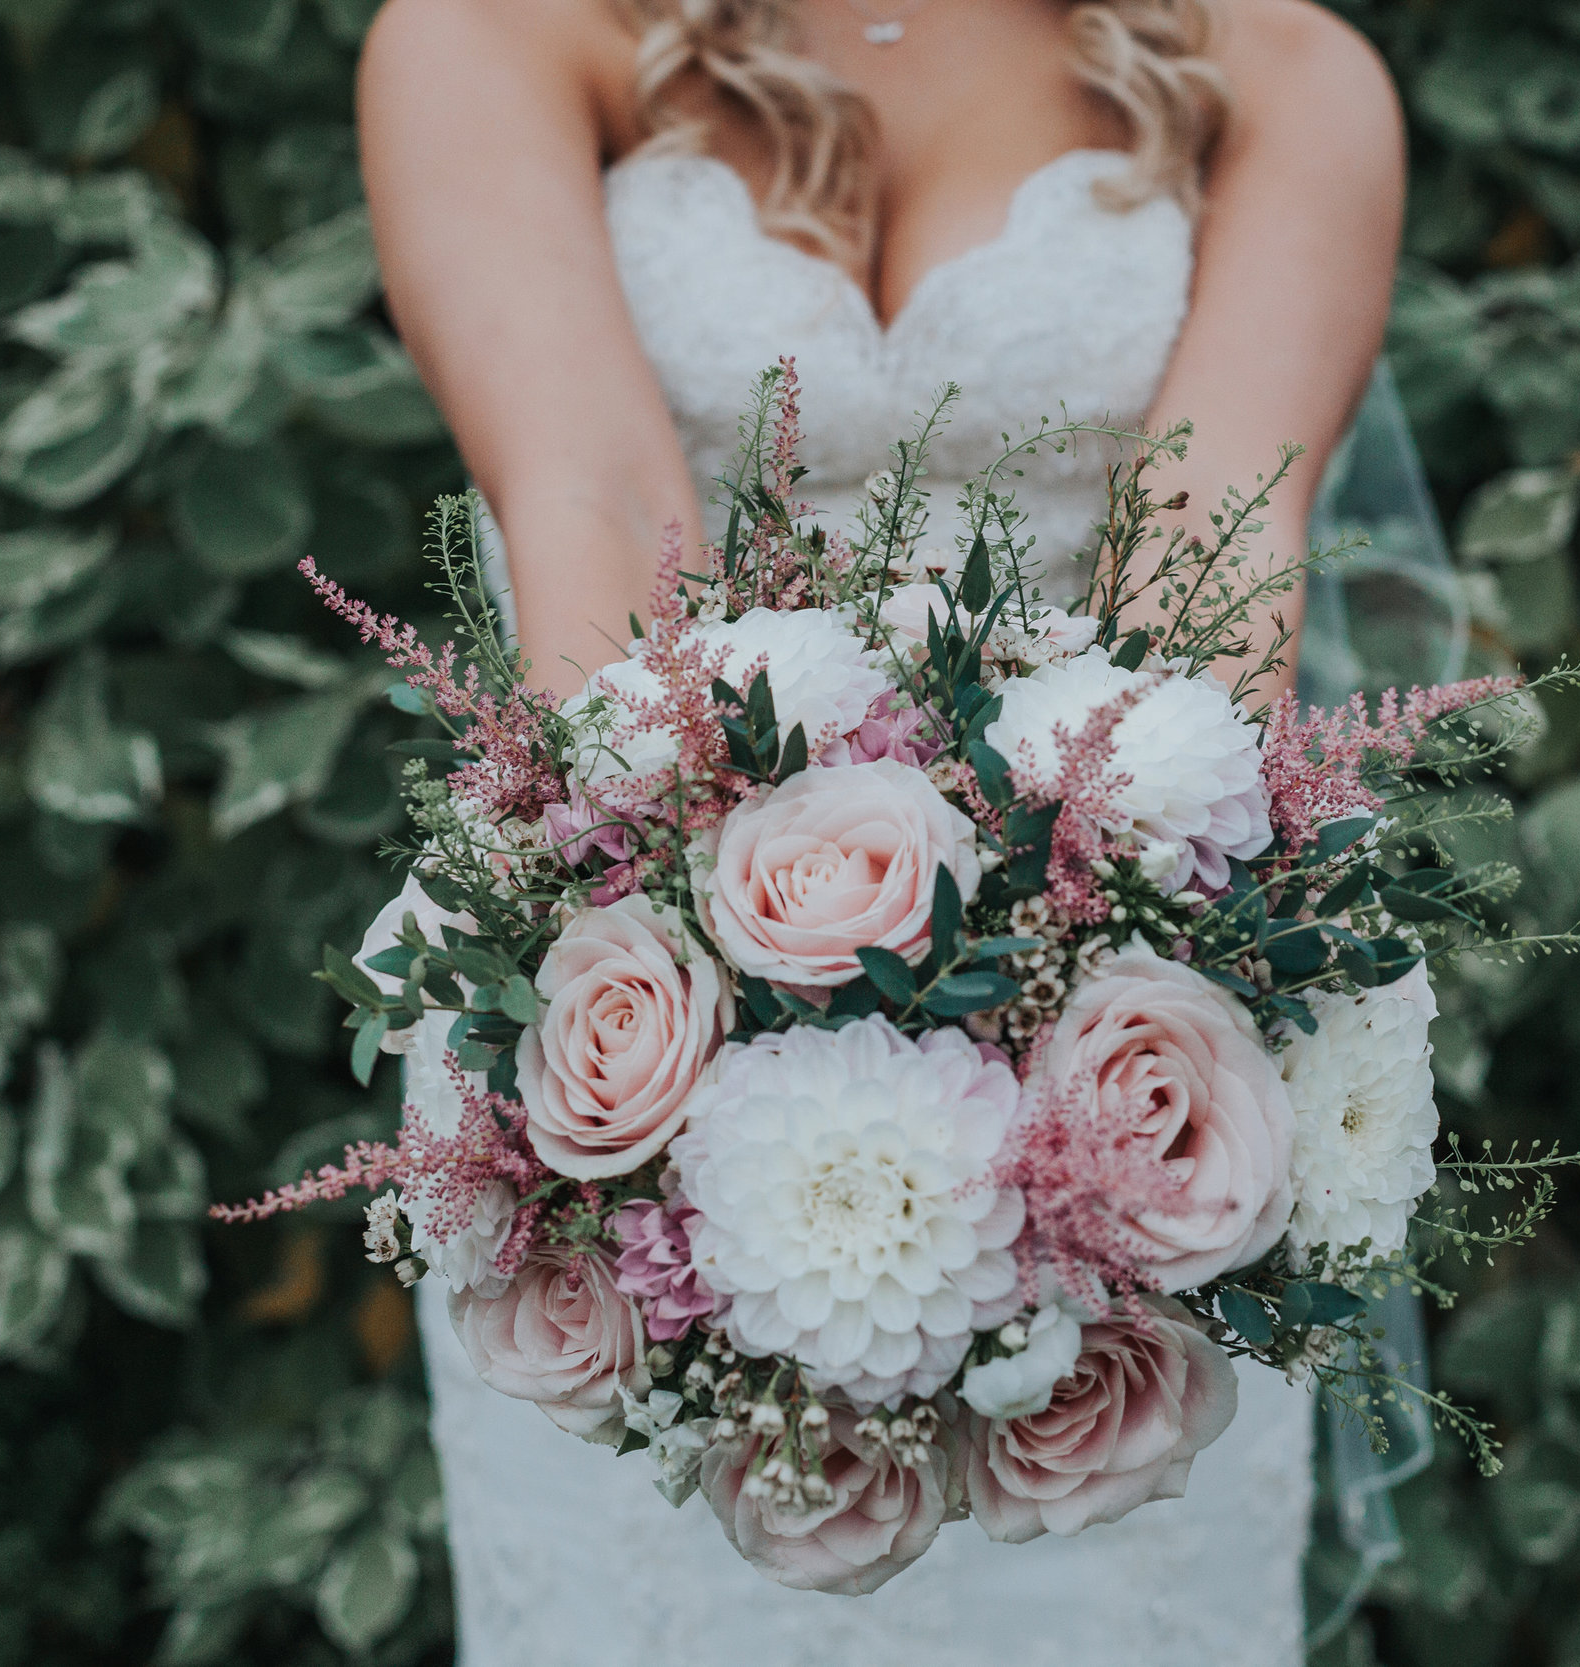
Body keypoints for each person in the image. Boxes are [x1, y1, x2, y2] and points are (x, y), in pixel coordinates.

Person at [355, 1, 1406, 1660]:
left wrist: (1072, 1028)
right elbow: (593, 500)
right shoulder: (498, 29)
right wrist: (687, 998)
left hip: (1108, 1016)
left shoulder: (1283, 71)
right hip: (630, 975)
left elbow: (1214, 558)